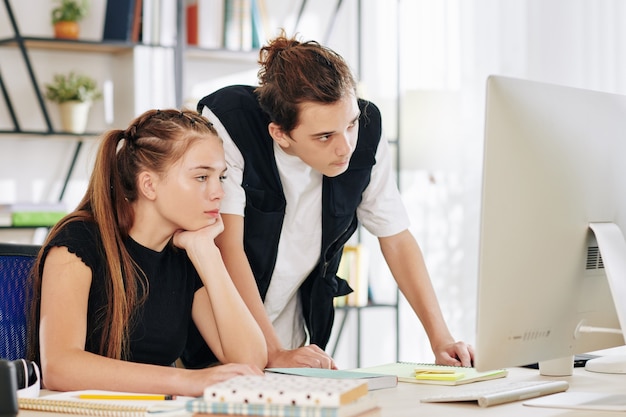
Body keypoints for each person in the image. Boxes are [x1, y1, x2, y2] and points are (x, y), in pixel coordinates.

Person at [182, 31, 474, 370]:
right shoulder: (232, 123)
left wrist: (442, 340)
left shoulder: (365, 131)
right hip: (216, 333)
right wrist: (271, 351)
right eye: (324, 136)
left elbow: (396, 237)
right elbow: (227, 245)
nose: (345, 147)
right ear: (280, 133)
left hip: (291, 335)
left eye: (350, 125)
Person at [26, 109, 267, 397]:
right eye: (202, 177)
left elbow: (250, 361)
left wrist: (207, 253)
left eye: (221, 177)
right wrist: (188, 381)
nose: (218, 193)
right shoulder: (78, 242)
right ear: (149, 185)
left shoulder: (185, 252)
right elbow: (60, 366)